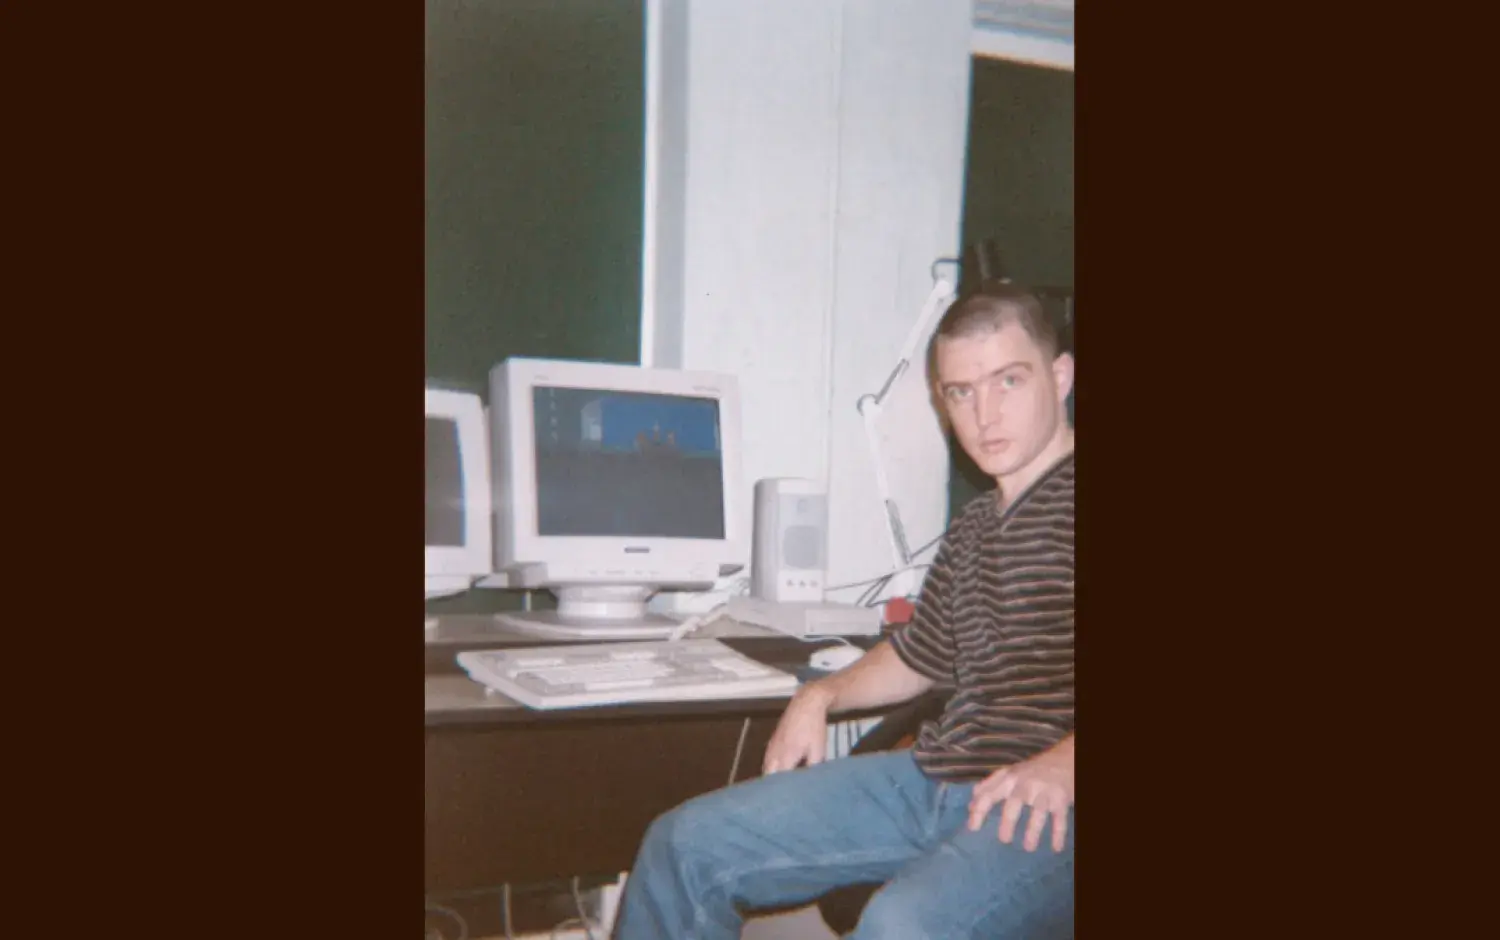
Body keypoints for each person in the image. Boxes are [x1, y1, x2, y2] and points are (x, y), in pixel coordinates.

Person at [612, 282, 1076, 940]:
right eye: (960, 392)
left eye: (1008, 380)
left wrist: (1065, 763)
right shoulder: (976, 525)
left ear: (1060, 377)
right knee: (685, 845)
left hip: (1053, 806)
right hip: (938, 781)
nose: (984, 415)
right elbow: (919, 658)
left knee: (900, 926)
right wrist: (821, 696)